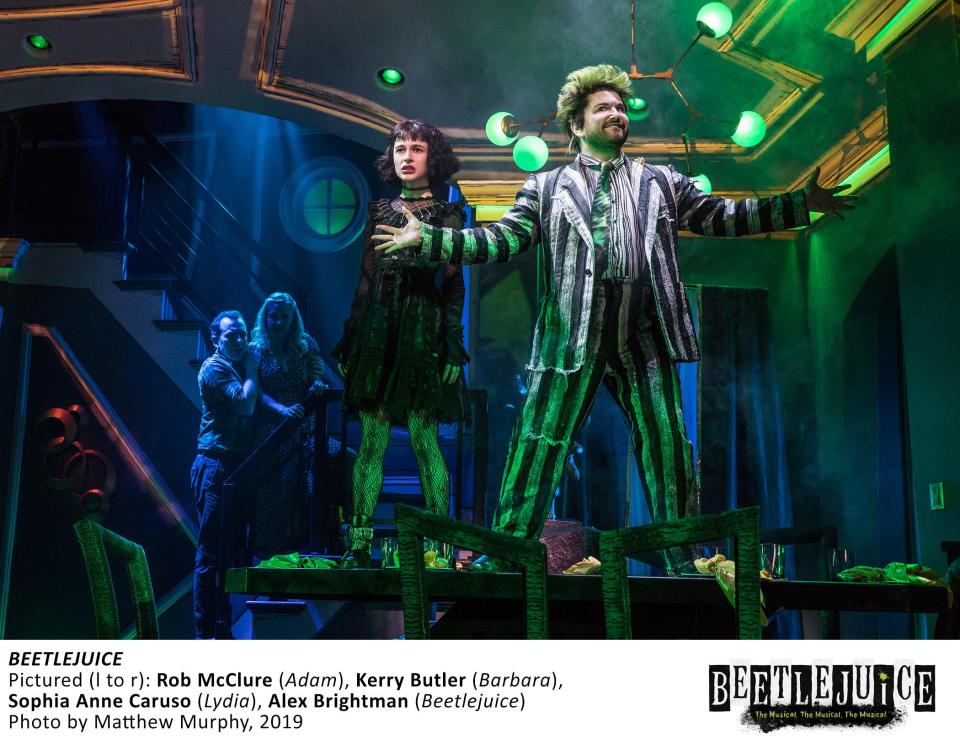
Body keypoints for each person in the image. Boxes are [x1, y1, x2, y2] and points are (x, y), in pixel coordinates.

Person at [374, 64, 855, 573]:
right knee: (537, 442)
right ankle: (509, 553)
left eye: (621, 108)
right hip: (569, 337)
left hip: (644, 334)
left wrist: (796, 206)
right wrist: (429, 239)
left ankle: (682, 560)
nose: (618, 114)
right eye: (604, 108)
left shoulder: (661, 182)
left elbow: (723, 215)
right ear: (576, 125)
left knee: (667, 443)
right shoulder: (544, 187)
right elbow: (499, 240)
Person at [333, 119, 470, 568]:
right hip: (378, 331)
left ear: (433, 157)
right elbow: (365, 278)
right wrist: (350, 340)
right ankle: (357, 545)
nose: (406, 156)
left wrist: (452, 342)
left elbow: (454, 284)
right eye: (399, 148)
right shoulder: (379, 210)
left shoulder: (449, 213)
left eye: (416, 148)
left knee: (423, 438)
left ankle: (441, 546)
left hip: (420, 330)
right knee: (371, 440)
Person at [192, 310, 260, 639]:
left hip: (233, 467)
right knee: (210, 555)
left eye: (241, 333)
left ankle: (221, 628)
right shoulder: (215, 367)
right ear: (216, 339)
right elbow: (244, 404)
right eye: (230, 334)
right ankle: (206, 636)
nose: (237, 339)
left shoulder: (235, 366)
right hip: (215, 465)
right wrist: (252, 369)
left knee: (228, 554)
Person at [248, 292, 327, 559]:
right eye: (274, 317)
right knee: (278, 484)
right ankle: (270, 551)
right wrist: (282, 410)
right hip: (273, 428)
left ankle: (328, 534)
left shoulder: (307, 345)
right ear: (265, 318)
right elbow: (256, 392)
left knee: (338, 459)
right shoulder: (256, 348)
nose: (279, 322)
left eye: (284, 317)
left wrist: (317, 385)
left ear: (293, 319)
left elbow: (316, 377)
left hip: (304, 424)